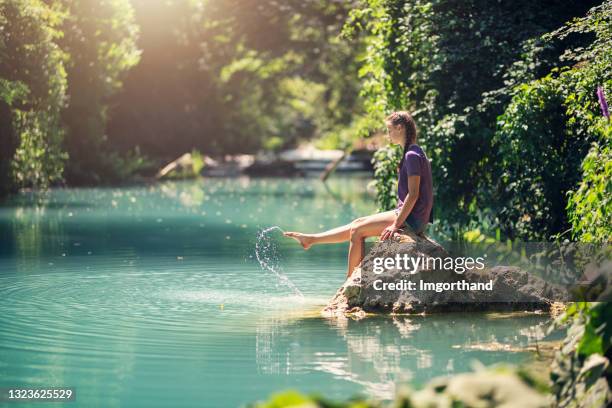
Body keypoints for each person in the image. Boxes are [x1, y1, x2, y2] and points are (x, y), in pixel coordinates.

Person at [284, 111, 434, 278]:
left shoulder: (412, 155)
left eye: (389, 130)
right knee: (358, 223)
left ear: (400, 128)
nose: (387, 134)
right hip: (413, 217)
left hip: (412, 219)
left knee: (357, 230)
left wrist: (395, 225)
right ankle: (311, 239)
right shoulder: (414, 151)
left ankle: (351, 284)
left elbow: (413, 195)